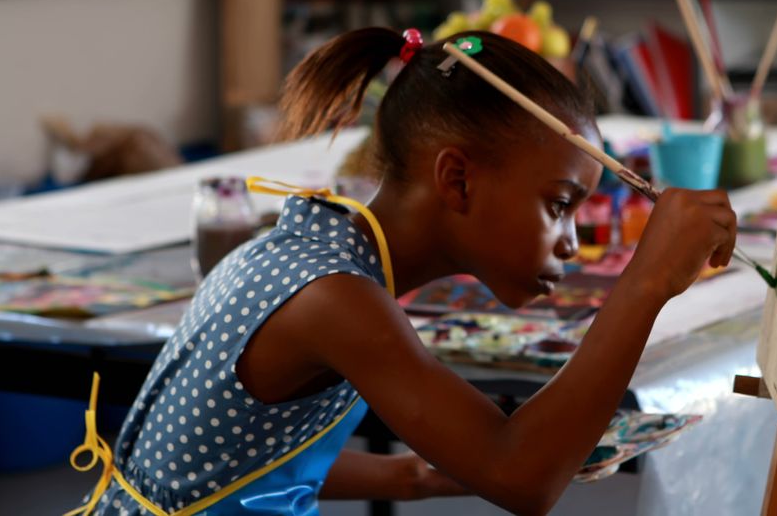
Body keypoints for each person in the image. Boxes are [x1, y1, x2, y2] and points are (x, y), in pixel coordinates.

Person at [69, 28, 736, 515]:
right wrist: (645, 285)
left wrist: (411, 478)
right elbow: (520, 478)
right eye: (558, 206)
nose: (570, 243)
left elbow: (234, 450)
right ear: (457, 179)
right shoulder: (337, 298)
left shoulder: (300, 247)